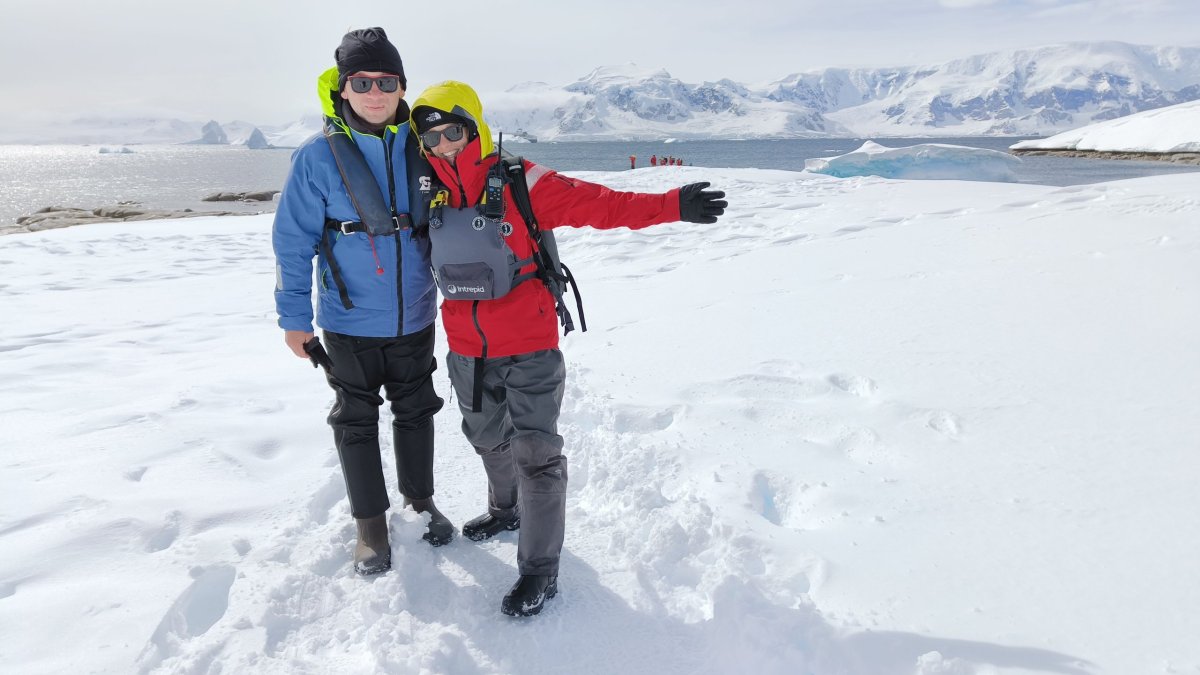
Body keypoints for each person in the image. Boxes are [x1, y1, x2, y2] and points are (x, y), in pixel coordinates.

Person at [408, 81, 727, 616]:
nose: (445, 145)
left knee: (536, 456)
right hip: (466, 346)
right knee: (486, 438)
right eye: (432, 138)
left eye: (454, 132)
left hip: (529, 344)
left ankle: (539, 572)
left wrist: (673, 204)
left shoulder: (519, 179)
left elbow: (600, 205)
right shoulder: (427, 191)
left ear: (475, 126)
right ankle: (505, 511)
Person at [272, 27, 452, 577]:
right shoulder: (316, 157)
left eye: (387, 81)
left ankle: (419, 503)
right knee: (355, 420)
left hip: (416, 314)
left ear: (402, 87)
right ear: (343, 89)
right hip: (348, 320)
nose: (375, 92)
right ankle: (370, 525)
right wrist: (293, 319)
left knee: (417, 410)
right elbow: (292, 239)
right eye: (363, 81)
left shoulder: (425, 146)